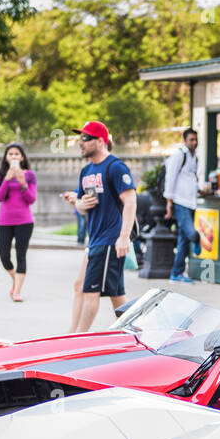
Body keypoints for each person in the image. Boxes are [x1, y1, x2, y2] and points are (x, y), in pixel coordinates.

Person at [65, 121, 136, 333]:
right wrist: (79, 203)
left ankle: (78, 339)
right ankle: (134, 333)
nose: (81, 143)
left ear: (100, 141)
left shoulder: (115, 167)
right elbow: (82, 206)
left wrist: (123, 237)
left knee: (90, 291)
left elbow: (130, 201)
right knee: (115, 293)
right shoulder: (86, 171)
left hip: (109, 239)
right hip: (95, 239)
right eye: (80, 139)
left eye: (85, 138)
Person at [163, 127, 209, 283]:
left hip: (191, 202)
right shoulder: (178, 156)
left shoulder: (195, 157)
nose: (194, 143)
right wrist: (169, 202)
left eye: (196, 140)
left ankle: (176, 273)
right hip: (180, 202)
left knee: (183, 240)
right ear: (185, 140)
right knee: (191, 234)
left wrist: (200, 190)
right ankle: (197, 241)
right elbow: (171, 178)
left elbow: (192, 178)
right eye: (191, 140)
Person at [0, 142, 36, 302]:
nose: (13, 156)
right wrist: (7, 179)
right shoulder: (0, 175)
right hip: (4, 221)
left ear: (22, 157)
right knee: (4, 256)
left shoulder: (29, 175)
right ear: (6, 157)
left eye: (17, 154)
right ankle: (15, 280)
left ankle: (16, 291)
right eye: (10, 154)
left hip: (24, 221)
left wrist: (23, 183)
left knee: (21, 255)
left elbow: (31, 199)